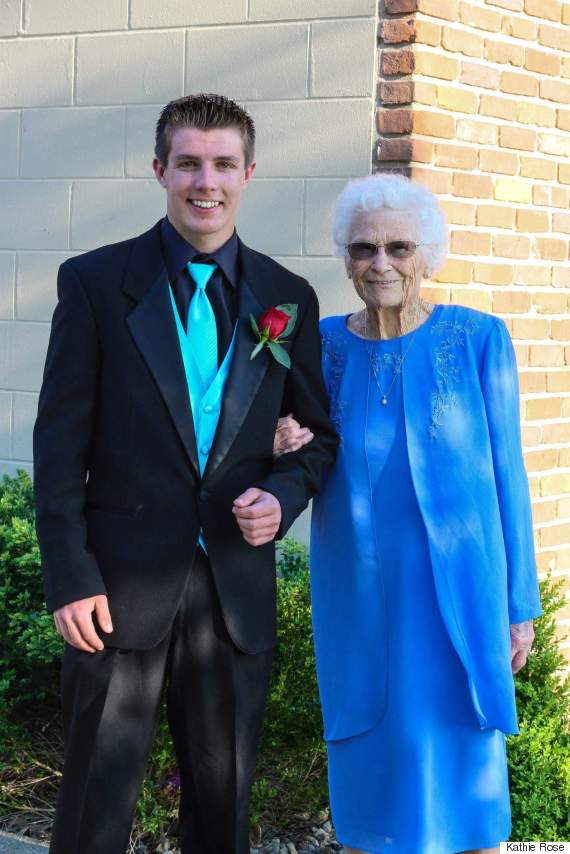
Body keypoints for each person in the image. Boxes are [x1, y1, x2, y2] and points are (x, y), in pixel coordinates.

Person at [33, 93, 338, 854]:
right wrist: (69, 574)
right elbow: (59, 446)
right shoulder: (96, 284)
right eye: (191, 163)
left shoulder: (286, 299)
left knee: (222, 807)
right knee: (96, 807)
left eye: (224, 164)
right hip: (117, 588)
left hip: (232, 592)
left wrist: (284, 491)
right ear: (160, 169)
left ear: (250, 173)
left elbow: (318, 441)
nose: (208, 181)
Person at [279, 174, 541, 854]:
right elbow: (288, 446)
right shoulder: (322, 345)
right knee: (372, 765)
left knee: (465, 768)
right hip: (360, 593)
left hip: (456, 592)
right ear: (345, 258)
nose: (381, 264)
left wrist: (519, 604)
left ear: (428, 251)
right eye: (364, 249)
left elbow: (509, 475)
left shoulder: (479, 338)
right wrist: (276, 445)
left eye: (398, 246)